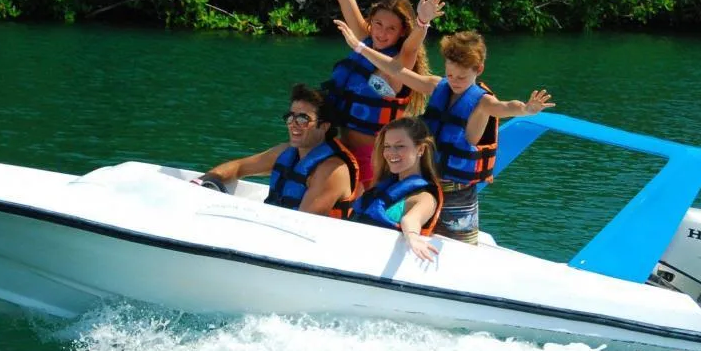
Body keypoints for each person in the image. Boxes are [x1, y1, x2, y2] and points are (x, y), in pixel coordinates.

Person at [332, 22, 553, 244]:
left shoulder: (483, 104)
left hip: (456, 197)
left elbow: (507, 107)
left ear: (479, 70)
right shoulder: (438, 86)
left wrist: (527, 109)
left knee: (458, 252)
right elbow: (396, 69)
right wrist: (360, 47)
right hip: (422, 185)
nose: (455, 82)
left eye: (462, 77)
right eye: (450, 74)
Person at [322, 0, 443, 186]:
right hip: (339, 147)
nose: (382, 33)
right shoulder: (365, 37)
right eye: (377, 24)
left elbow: (413, 45)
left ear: (402, 32)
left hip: (372, 158)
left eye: (391, 29)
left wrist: (422, 21)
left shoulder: (400, 62)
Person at [192, 83, 359, 218]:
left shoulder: (331, 171)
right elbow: (238, 168)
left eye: (303, 119)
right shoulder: (286, 152)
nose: (293, 123)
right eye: (291, 117)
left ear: (324, 126)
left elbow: (303, 223)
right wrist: (199, 183)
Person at [351, 116, 444, 262]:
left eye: (400, 146)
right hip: (356, 250)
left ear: (420, 149)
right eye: (387, 146)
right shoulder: (384, 186)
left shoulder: (425, 197)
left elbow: (411, 220)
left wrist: (413, 237)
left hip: (377, 260)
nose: (391, 152)